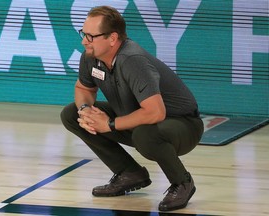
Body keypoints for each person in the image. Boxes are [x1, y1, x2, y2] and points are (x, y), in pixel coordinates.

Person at [60, 5, 204, 211]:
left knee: (145, 135)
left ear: (112, 38)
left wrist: (109, 124)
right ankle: (129, 174)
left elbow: (156, 112)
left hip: (182, 125)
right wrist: (85, 110)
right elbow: (83, 88)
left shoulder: (132, 60)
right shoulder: (90, 56)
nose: (84, 41)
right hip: (133, 118)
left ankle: (182, 182)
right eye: (83, 34)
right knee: (71, 114)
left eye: (91, 36)